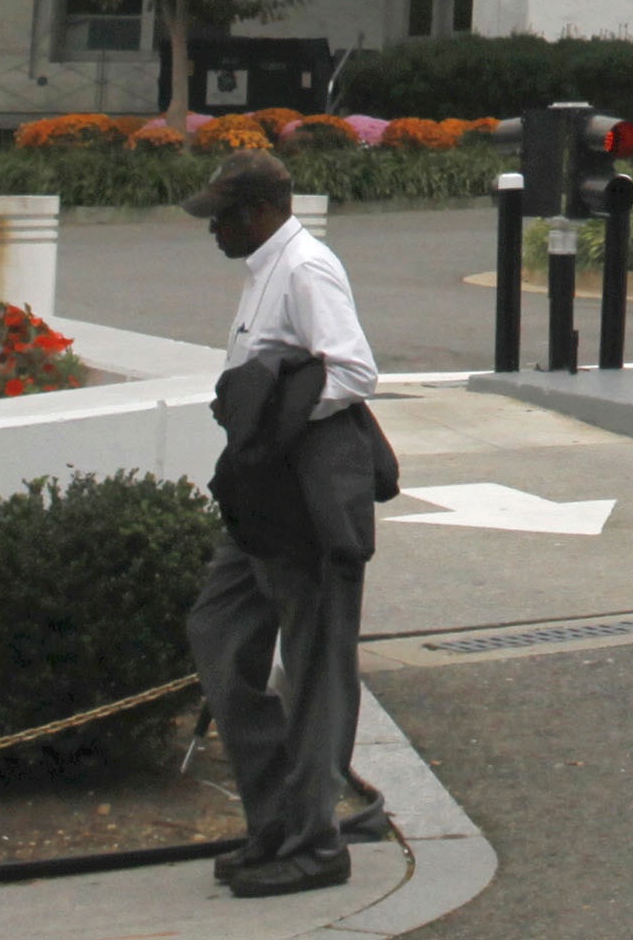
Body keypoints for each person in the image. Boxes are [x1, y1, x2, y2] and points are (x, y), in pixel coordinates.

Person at [184, 148, 398, 899]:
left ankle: (313, 839)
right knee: (218, 633)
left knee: (315, 669)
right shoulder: (266, 267)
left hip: (304, 492)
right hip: (264, 491)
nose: (215, 231)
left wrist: (271, 411)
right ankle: (278, 818)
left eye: (224, 216)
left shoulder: (306, 266)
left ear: (260, 211)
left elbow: (354, 370)